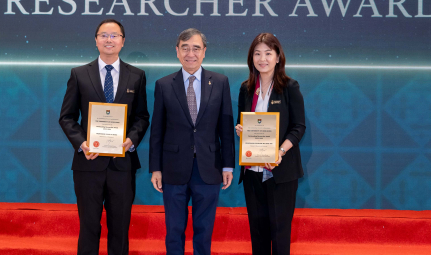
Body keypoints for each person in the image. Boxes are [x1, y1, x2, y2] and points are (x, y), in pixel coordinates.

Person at [59, 19, 150, 255]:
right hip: (89, 163)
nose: (109, 40)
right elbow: (67, 117)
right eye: (104, 35)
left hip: (122, 164)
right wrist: (82, 143)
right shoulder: (79, 74)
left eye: (114, 36)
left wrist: (132, 139)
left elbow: (142, 117)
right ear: (96, 40)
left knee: (119, 228)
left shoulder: (137, 76)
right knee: (89, 226)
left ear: (123, 41)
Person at [149, 28, 235, 255]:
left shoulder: (220, 82)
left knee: (204, 229)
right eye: (185, 48)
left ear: (204, 52)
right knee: (174, 228)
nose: (190, 53)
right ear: (177, 52)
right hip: (173, 168)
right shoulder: (164, 84)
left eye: (196, 48)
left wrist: (228, 165)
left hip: (209, 167)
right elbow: (157, 130)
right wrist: (155, 168)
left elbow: (226, 127)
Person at [235, 33, 306, 255]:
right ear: (251, 58)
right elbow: (242, 121)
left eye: (268, 53)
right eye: (257, 53)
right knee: (257, 232)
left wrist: (281, 151)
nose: (262, 58)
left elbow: (299, 126)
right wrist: (240, 130)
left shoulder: (289, 87)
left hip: (280, 172)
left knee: (280, 231)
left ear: (278, 57)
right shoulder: (246, 88)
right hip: (252, 171)